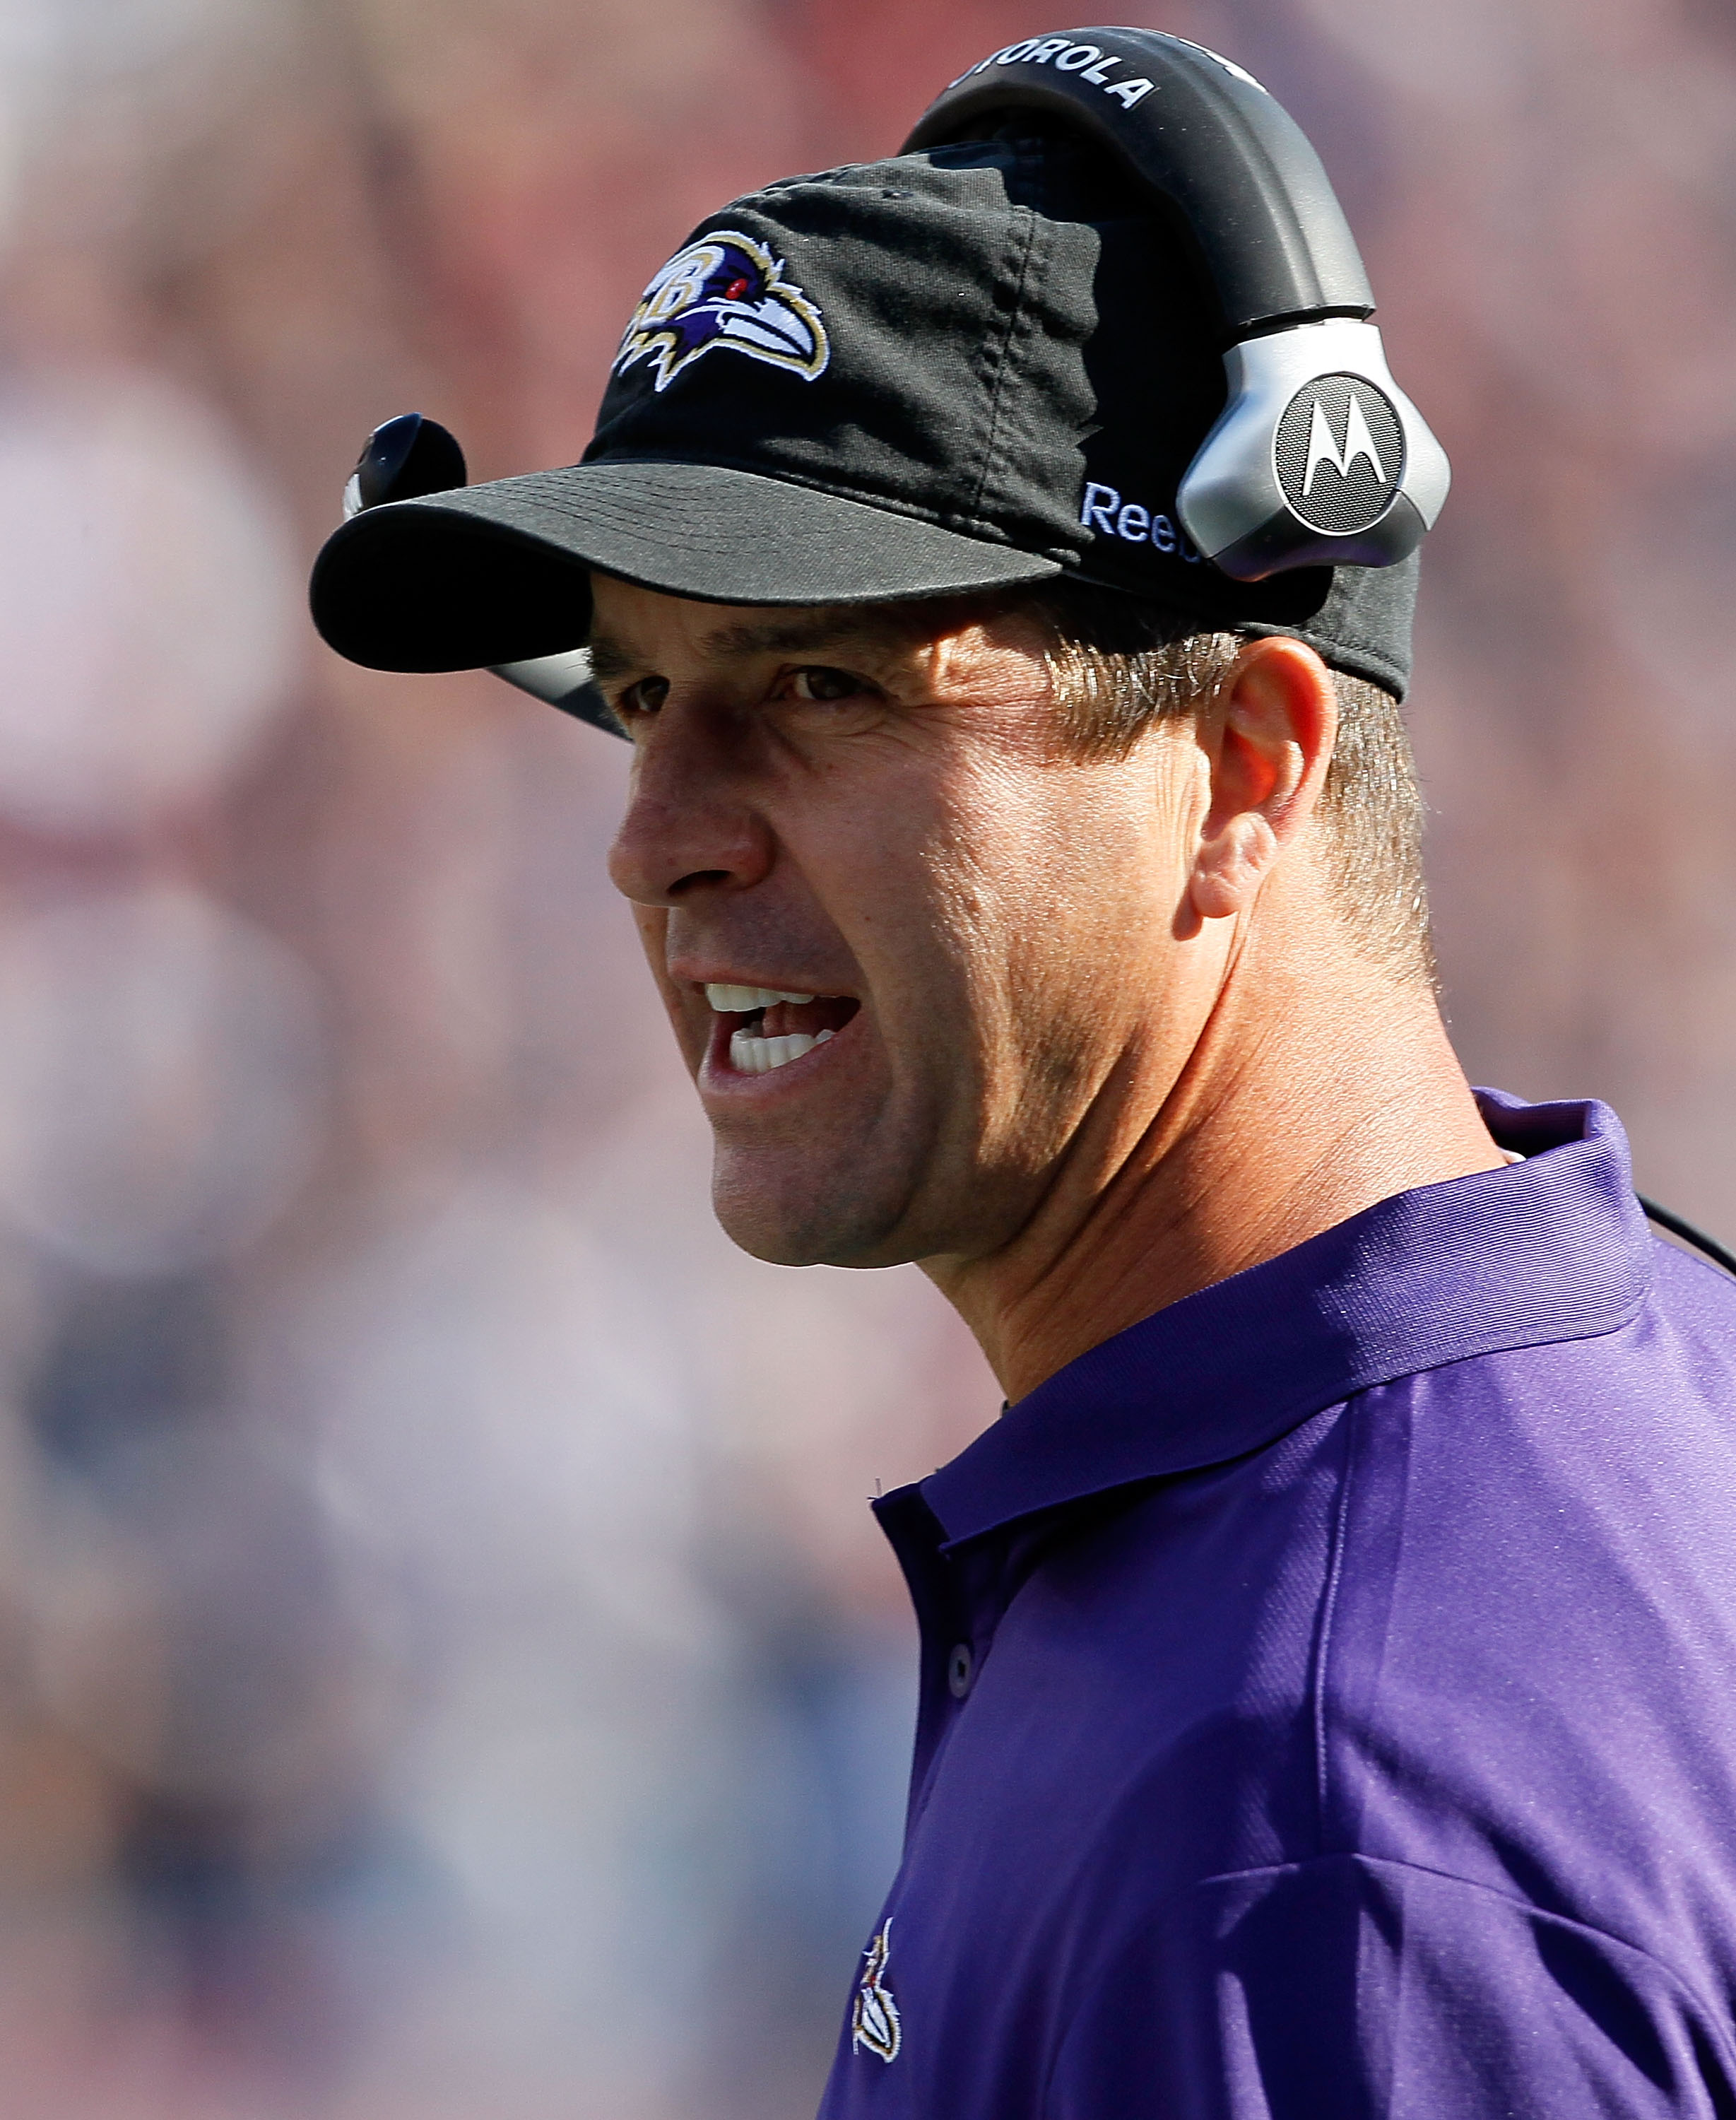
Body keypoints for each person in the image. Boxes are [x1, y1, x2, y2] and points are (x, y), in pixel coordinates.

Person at [310, 32, 1736, 2117]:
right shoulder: (1611, 1370)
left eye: (813, 683)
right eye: (636, 696)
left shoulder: (1306, 1834)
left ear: (1240, 764)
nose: (652, 837)